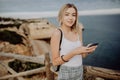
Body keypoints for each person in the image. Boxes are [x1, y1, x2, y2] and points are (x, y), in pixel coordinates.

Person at [50, 3, 97, 80]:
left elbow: (82, 55)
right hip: (65, 72)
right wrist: (73, 52)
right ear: (61, 16)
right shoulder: (57, 33)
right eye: (67, 14)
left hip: (79, 70)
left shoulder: (78, 31)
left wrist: (88, 50)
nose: (70, 18)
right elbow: (55, 62)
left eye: (73, 15)